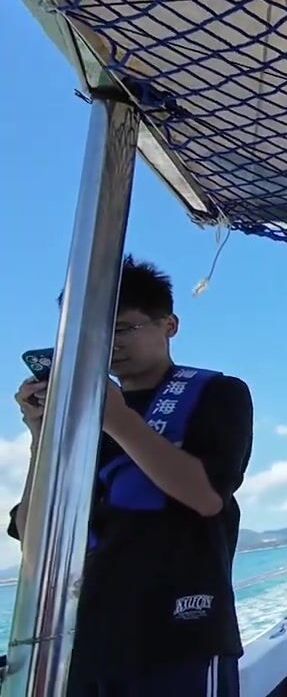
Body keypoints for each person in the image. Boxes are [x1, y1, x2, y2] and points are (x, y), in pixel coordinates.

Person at [9, 256, 253, 697]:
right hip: (84, 644)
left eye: (122, 329)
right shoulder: (78, 419)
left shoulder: (219, 393)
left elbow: (205, 497)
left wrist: (118, 420)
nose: (108, 344)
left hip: (182, 638)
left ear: (169, 325)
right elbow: (35, 540)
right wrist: (41, 435)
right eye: (95, 333)